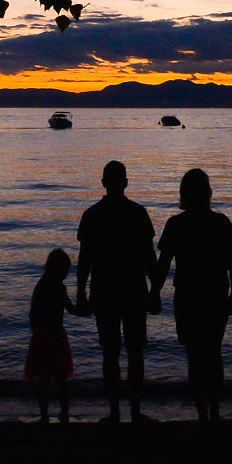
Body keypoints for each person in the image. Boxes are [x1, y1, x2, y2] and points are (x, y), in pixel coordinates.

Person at [151, 167, 232, 422]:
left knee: (195, 356)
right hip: (215, 296)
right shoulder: (220, 222)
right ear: (208, 192)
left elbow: (163, 263)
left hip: (188, 297)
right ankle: (214, 411)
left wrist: (154, 292)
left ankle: (203, 414)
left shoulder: (176, 224)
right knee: (214, 353)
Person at [76, 160, 159, 423]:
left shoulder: (91, 215)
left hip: (104, 291)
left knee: (110, 353)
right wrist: (155, 292)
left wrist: (80, 293)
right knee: (135, 353)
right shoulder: (138, 213)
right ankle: (135, 411)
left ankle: (114, 413)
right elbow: (150, 260)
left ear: (103, 183)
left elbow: (84, 259)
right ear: (125, 183)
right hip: (134, 291)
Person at [24, 248, 83, 423]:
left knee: (43, 381)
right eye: (65, 270)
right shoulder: (59, 286)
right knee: (61, 380)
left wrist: (35, 331)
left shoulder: (41, 285)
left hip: (42, 337)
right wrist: (86, 308)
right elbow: (71, 309)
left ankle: (44, 415)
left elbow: (32, 312)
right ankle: (64, 413)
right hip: (56, 337)